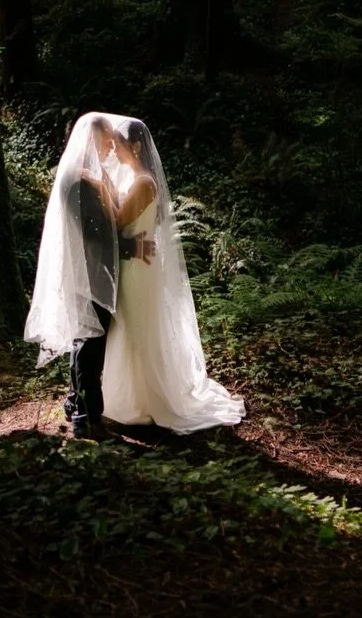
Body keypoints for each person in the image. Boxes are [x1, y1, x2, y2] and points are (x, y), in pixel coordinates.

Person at [25, 111, 244, 438]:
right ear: (92, 139)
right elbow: (99, 235)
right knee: (90, 342)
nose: (111, 149)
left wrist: (108, 193)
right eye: (106, 141)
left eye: (116, 142)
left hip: (111, 273)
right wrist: (130, 246)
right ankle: (86, 416)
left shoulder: (95, 177)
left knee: (96, 340)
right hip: (92, 273)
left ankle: (84, 403)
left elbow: (112, 222)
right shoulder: (81, 181)